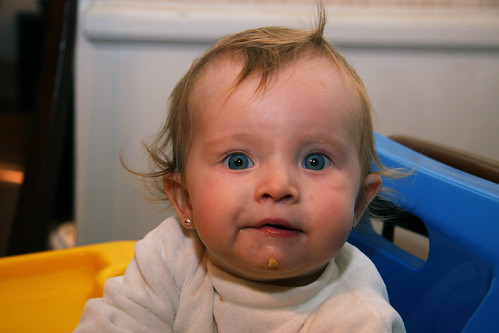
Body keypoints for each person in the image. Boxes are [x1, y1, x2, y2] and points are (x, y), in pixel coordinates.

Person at [74, 7, 405, 333]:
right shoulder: (170, 254)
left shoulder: (358, 318)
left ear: (359, 203)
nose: (278, 186)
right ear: (185, 200)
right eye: (238, 161)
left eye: (314, 161)